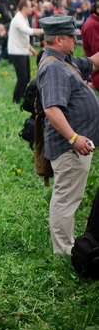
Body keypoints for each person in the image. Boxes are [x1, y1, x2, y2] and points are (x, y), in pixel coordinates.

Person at [36, 15, 99, 255]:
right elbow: (52, 109)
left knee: (70, 195)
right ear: (59, 40)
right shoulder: (53, 68)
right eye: (72, 36)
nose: (76, 40)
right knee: (66, 199)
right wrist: (74, 138)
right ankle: (63, 251)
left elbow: (92, 63)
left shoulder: (65, 61)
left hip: (76, 145)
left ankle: (64, 246)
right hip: (69, 147)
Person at [7, 0, 43, 104]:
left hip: (22, 51)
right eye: (30, 6)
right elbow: (29, 31)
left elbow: (23, 37)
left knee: (26, 77)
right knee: (22, 78)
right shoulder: (18, 19)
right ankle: (16, 100)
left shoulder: (24, 18)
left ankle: (22, 97)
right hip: (17, 52)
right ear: (24, 8)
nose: (32, 8)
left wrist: (31, 49)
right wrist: (46, 30)